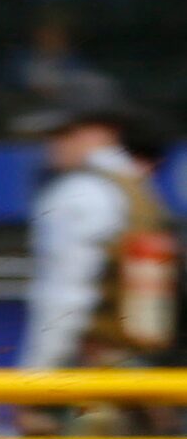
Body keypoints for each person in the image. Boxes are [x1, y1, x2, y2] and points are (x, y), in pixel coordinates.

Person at [18, 102, 173, 372]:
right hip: (144, 363)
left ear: (101, 133)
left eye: (65, 134)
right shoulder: (138, 188)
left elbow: (65, 293)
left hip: (93, 365)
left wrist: (36, 374)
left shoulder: (79, 190)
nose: (53, 145)